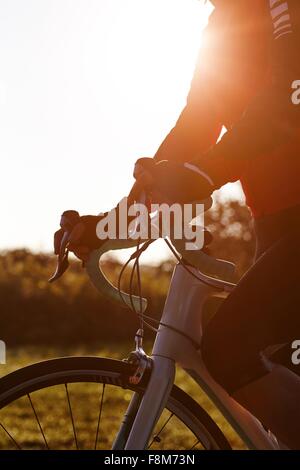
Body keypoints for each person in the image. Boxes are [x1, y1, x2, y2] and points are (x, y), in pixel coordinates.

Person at [54, 0, 300, 448]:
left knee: (230, 348)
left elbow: (287, 97)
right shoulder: (223, 24)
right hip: (277, 227)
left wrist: (206, 171)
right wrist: (108, 224)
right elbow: (194, 128)